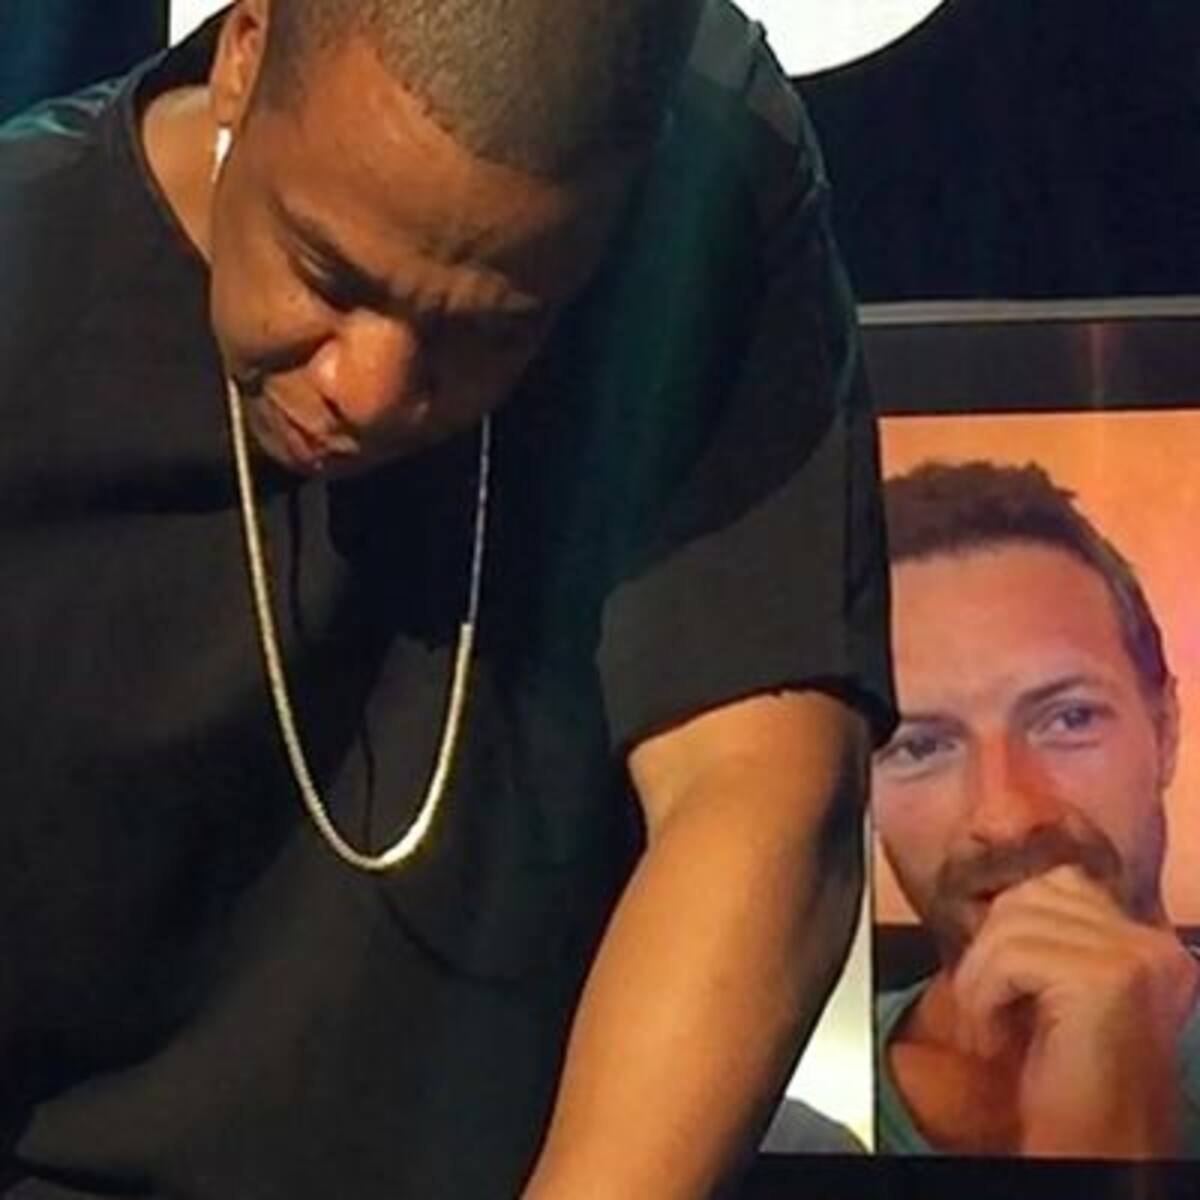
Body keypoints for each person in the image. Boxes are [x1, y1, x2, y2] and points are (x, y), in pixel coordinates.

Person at [0, 1, 895, 1197]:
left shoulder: (695, 159)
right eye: (326, 275)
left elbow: (759, 799)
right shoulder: (26, 277)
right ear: (245, 53)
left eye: (489, 331)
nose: (370, 387)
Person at [873, 460, 1200, 1158]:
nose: (1009, 816)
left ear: (1166, 731)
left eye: (1069, 718)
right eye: (921, 746)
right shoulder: (762, 1102)